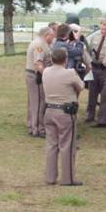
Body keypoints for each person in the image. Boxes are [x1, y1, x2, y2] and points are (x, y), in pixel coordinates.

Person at [42, 47, 85, 186]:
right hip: (65, 112)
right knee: (67, 145)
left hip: (49, 111)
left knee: (51, 145)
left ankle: (50, 177)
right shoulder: (70, 73)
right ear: (65, 59)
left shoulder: (46, 72)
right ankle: (68, 178)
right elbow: (81, 86)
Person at [25, 27, 54, 138]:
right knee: (38, 102)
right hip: (36, 76)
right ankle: (37, 129)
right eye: (52, 36)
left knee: (33, 102)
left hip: (34, 75)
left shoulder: (39, 43)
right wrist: (46, 76)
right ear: (47, 35)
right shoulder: (39, 45)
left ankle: (32, 126)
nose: (53, 38)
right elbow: (38, 64)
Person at [85, 18, 106, 123]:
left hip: (105, 69)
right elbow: (89, 51)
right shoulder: (95, 37)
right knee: (92, 93)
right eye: (102, 29)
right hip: (94, 67)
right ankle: (90, 115)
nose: (104, 31)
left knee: (105, 94)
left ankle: (101, 118)